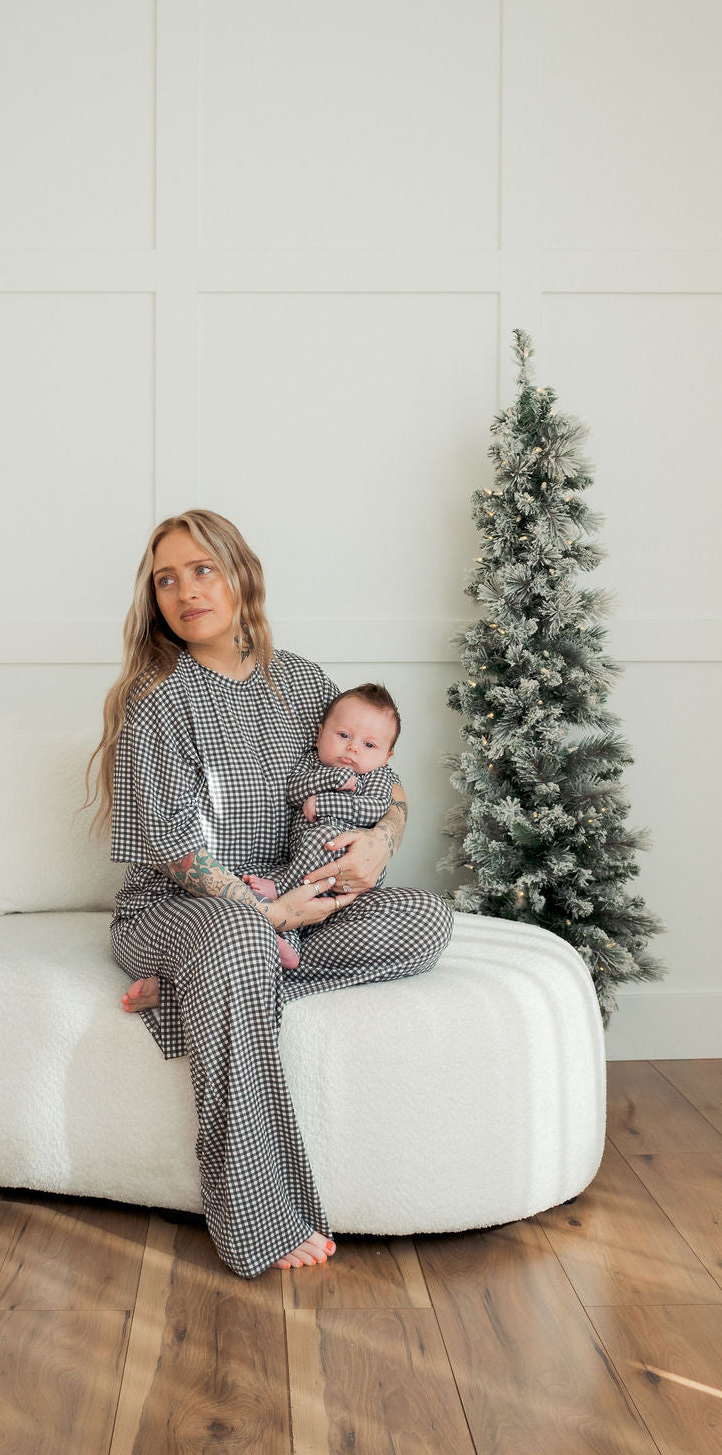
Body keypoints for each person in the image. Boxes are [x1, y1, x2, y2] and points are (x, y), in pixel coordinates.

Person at [86, 510, 453, 1278]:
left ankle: (190, 991)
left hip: (290, 909)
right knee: (239, 937)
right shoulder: (156, 700)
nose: (185, 591)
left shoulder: (304, 682)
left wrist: (382, 843)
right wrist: (272, 915)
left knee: (426, 921)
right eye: (166, 579)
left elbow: (382, 778)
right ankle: (256, 1216)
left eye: (201, 569)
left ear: (240, 573)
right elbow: (180, 852)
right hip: (178, 913)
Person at [242, 683, 402, 969]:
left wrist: (325, 805)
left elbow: (375, 806)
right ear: (320, 734)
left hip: (351, 866)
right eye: (343, 735)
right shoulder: (312, 763)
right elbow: (294, 790)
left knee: (328, 836)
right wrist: (332, 779)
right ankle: (284, 943)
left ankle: (281, 889)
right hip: (303, 863)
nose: (353, 747)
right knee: (252, 884)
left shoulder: (378, 776)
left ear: (386, 756)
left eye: (369, 745)